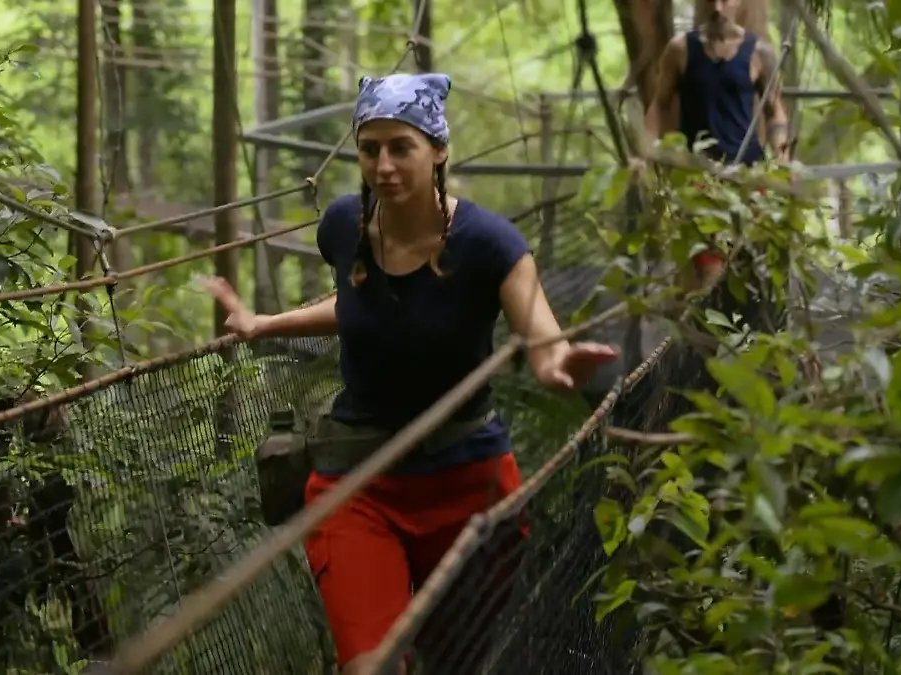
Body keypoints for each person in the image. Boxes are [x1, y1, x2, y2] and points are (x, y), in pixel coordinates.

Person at [203, 72, 617, 674]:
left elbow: (542, 341)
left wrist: (559, 368)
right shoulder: (343, 227)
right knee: (372, 664)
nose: (384, 165)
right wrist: (263, 323)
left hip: (468, 485)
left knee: (458, 660)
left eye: (402, 147)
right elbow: (357, 304)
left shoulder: (490, 245)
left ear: (439, 150)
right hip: (357, 482)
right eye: (370, 149)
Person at [642, 0, 790, 289]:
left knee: (750, 268)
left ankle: (752, 331)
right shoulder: (680, 49)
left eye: (726, 1)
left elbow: (775, 111)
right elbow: (659, 106)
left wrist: (783, 158)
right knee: (710, 273)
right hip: (700, 179)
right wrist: (648, 153)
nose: (718, 9)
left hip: (748, 178)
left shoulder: (759, 52)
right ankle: (711, 331)